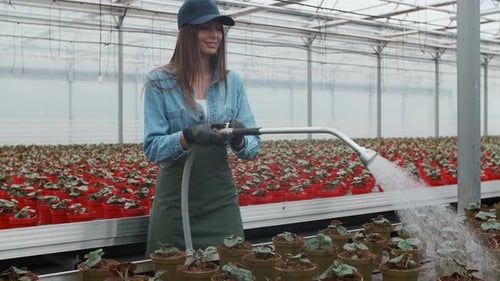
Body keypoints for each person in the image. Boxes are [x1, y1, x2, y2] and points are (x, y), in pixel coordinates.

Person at [142, 0, 260, 255]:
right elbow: (152, 148)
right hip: (176, 199)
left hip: (220, 198)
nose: (214, 35)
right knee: (172, 268)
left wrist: (239, 139)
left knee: (230, 265)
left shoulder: (233, 82)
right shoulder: (159, 82)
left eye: (218, 29)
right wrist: (186, 137)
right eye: (205, 28)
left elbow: (252, 147)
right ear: (187, 33)